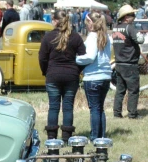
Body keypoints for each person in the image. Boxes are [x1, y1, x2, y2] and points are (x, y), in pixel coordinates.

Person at [38, 9, 86, 141]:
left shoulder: (48, 37)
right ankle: (66, 137)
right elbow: (84, 56)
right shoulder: (75, 37)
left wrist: (45, 71)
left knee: (53, 106)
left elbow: (42, 58)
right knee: (68, 106)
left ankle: (52, 138)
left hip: (53, 74)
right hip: (71, 75)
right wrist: (77, 70)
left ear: (54, 21)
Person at [76, 12, 113, 139]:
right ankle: (101, 136)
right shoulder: (106, 36)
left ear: (91, 23)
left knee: (94, 109)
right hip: (106, 76)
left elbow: (90, 57)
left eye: (87, 24)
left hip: (93, 77)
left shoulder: (92, 37)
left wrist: (75, 59)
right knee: (100, 108)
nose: (86, 26)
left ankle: (95, 137)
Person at [111, 4, 145, 119]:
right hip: (130, 64)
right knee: (133, 90)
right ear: (126, 17)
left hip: (119, 63)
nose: (134, 17)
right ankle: (132, 114)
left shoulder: (115, 27)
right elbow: (140, 39)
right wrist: (139, 33)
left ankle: (117, 113)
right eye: (132, 15)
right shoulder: (130, 28)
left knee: (120, 90)